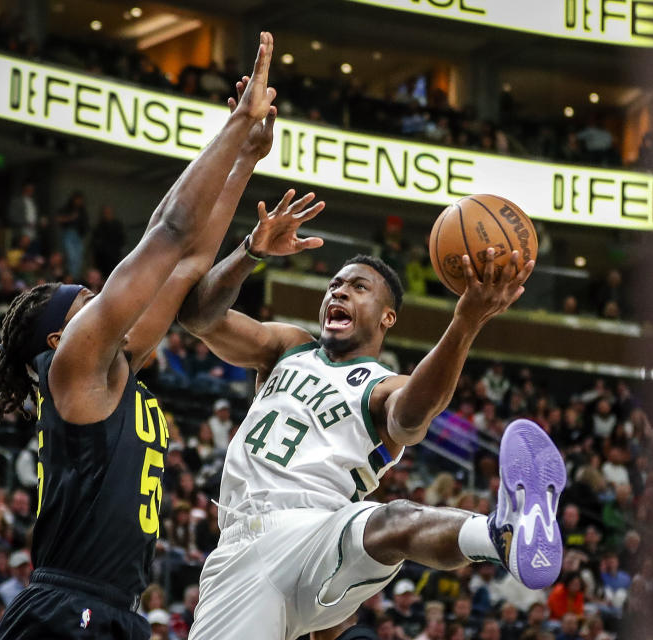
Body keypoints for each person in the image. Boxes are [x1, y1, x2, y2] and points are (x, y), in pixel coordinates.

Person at [0, 33, 280, 640]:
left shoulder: (118, 365)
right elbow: (169, 232)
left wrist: (246, 158)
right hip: (65, 610)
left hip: (117, 610)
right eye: (90, 304)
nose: (108, 305)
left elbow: (187, 263)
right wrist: (234, 128)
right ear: (59, 338)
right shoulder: (76, 368)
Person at [178, 188, 564, 640]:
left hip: (318, 529)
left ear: (387, 318)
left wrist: (466, 321)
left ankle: (503, 536)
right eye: (335, 285)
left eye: (358, 287)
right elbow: (199, 317)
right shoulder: (287, 347)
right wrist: (251, 251)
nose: (339, 290)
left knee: (392, 521)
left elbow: (411, 420)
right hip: (240, 545)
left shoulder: (384, 385)